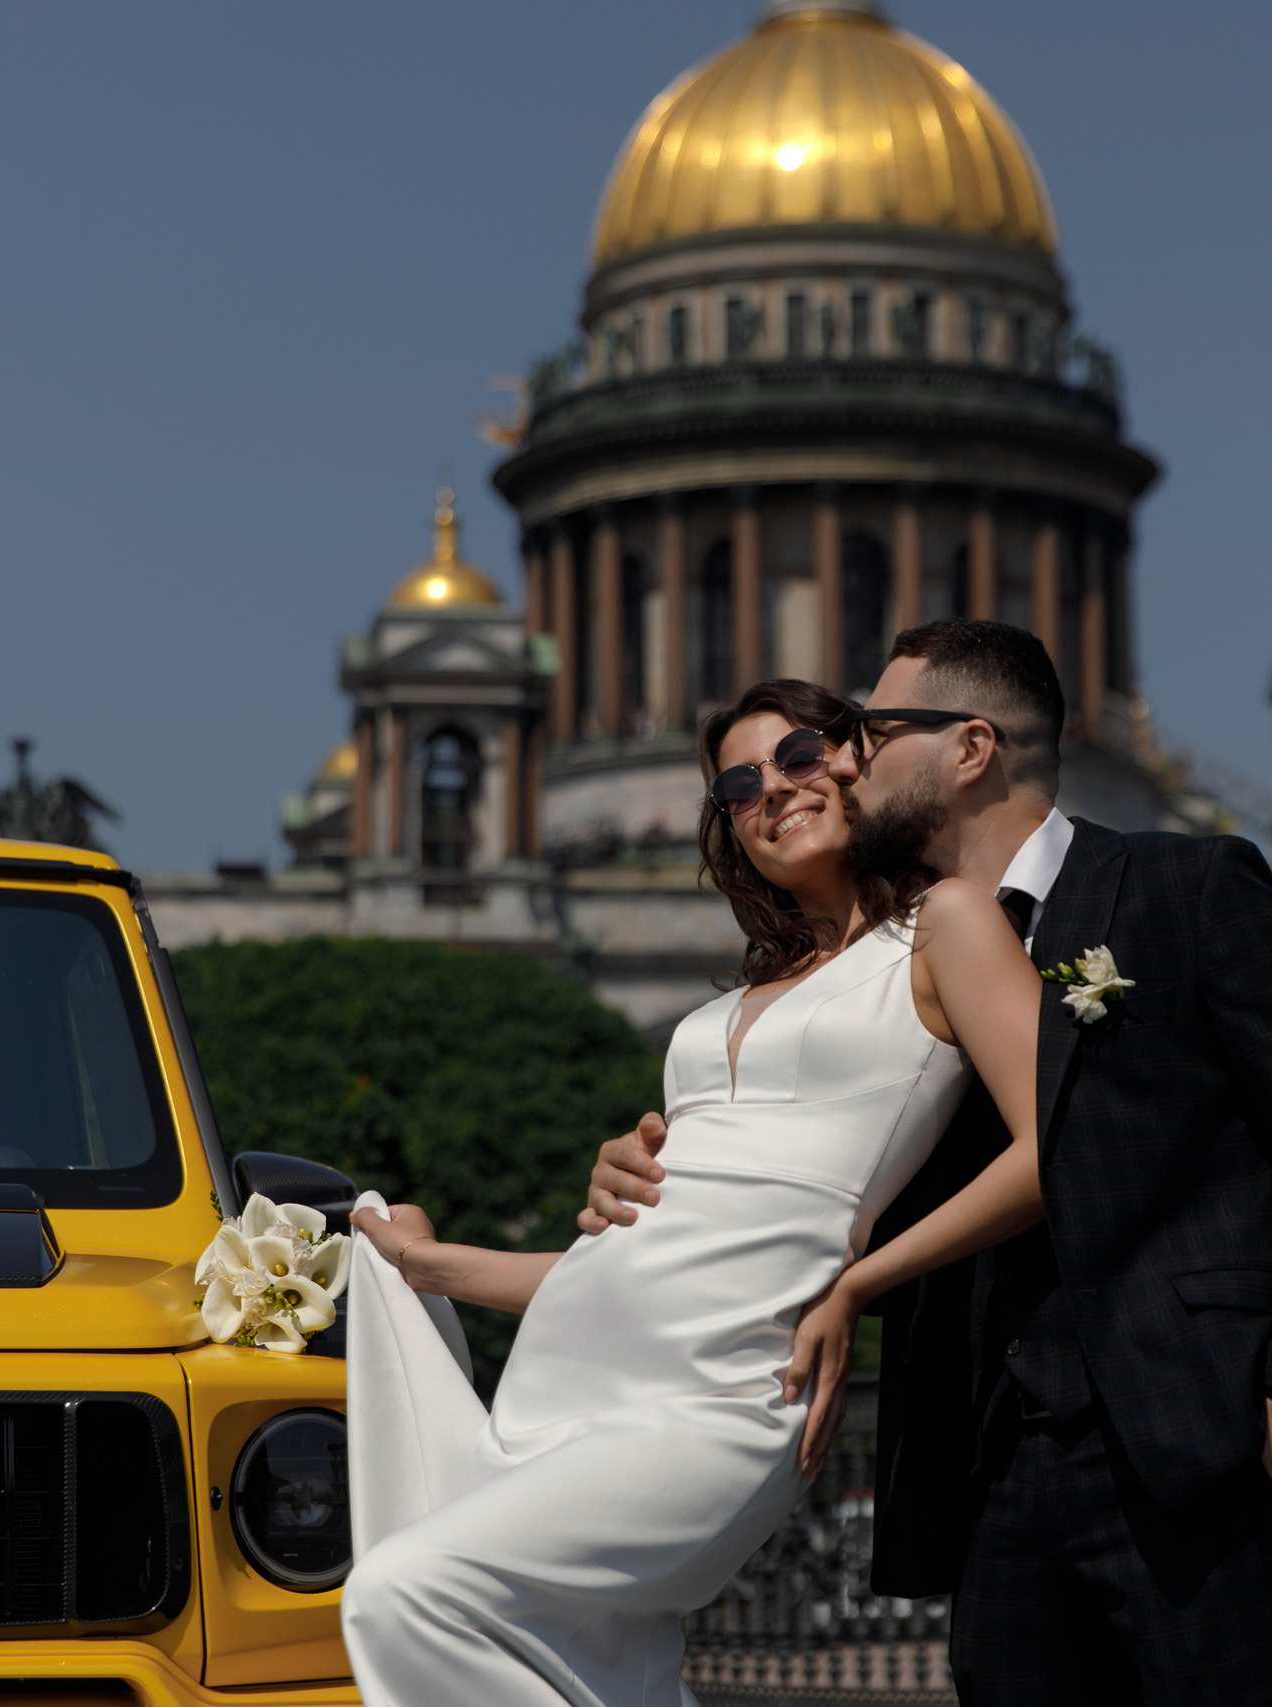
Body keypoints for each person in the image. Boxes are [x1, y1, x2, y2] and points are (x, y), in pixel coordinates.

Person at [582, 620, 1272, 1707]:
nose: (842, 761)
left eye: (871, 735)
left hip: (1194, 1446)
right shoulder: (879, 974)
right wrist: (653, 1178)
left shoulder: (1183, 885)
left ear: (970, 747)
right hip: (986, 1466)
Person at [338, 675, 1057, 1707]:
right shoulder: (734, 1003)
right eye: (740, 781)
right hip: (559, 1391)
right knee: (600, 1672)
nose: (774, 787)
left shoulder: (943, 926)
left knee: (401, 1594)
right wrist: (425, 1261)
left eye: (801, 756)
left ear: (855, 763)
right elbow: (639, 1250)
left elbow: (1050, 1145)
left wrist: (859, 1285)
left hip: (718, 1398)